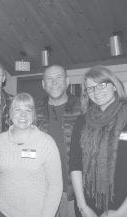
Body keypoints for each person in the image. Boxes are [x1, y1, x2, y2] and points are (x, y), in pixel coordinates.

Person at [69, 66, 127, 217]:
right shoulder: (82, 121)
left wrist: (122, 212)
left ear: (113, 85)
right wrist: (83, 207)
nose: (96, 91)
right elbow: (75, 164)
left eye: (101, 85)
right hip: (87, 206)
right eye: (90, 88)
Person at [0, 92, 63, 217]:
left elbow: (55, 186)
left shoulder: (47, 143)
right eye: (17, 109)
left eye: (28, 110)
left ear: (33, 115)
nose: (23, 114)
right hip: (3, 212)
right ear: (10, 113)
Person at [36, 64, 81, 217]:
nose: (54, 82)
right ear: (43, 84)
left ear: (67, 81)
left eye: (59, 78)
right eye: (49, 79)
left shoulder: (84, 108)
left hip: (76, 192)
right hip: (43, 191)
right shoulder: (34, 111)